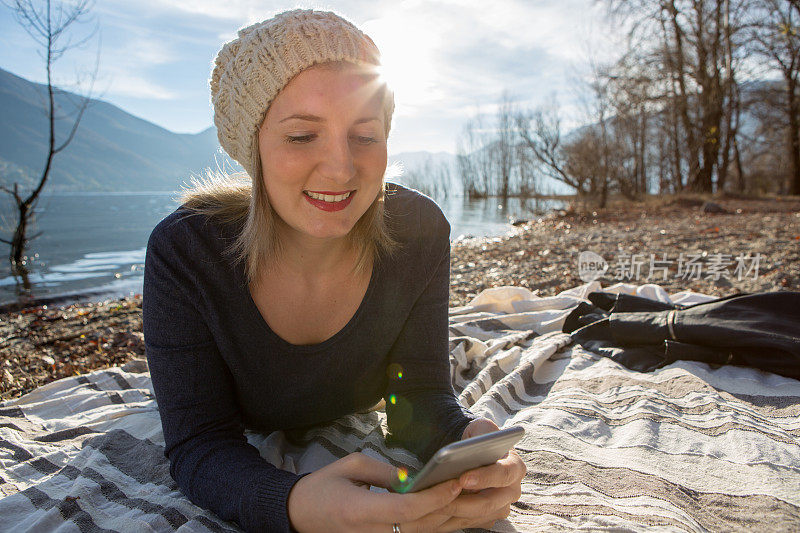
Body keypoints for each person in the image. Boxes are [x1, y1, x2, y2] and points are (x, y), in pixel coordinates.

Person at [142, 8, 525, 533]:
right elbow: (200, 441)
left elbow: (414, 394)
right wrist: (293, 503)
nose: (342, 169)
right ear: (253, 147)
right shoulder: (187, 250)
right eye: (302, 136)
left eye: (365, 135)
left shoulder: (419, 233)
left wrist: (463, 443)